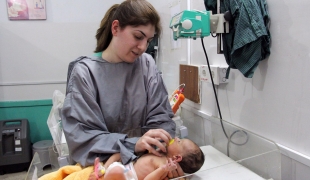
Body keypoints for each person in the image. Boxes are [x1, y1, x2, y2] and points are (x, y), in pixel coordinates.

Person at [61, 0, 184, 179]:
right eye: (138, 36)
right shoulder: (85, 72)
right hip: (102, 171)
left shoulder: (146, 64)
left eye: (148, 40)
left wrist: (156, 150)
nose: (143, 47)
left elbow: (161, 118)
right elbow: (83, 138)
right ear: (116, 28)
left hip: (145, 168)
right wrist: (133, 145)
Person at [89, 137, 205, 180]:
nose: (176, 137)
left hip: (129, 176)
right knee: (119, 154)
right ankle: (103, 169)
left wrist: (163, 170)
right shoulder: (162, 153)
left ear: (177, 157)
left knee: (117, 171)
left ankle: (104, 175)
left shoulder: (165, 166)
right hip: (127, 167)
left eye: (179, 142)